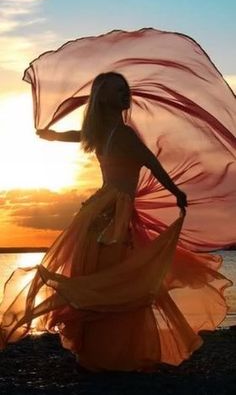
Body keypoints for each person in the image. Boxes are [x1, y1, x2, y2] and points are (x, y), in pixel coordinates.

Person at [0, 71, 231, 372]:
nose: (125, 93)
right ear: (101, 97)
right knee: (120, 278)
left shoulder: (109, 134)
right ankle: (112, 351)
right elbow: (150, 161)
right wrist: (176, 192)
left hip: (98, 211)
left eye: (125, 89)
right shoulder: (119, 134)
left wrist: (56, 136)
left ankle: (100, 350)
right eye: (116, 89)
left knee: (106, 276)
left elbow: (87, 139)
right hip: (114, 213)